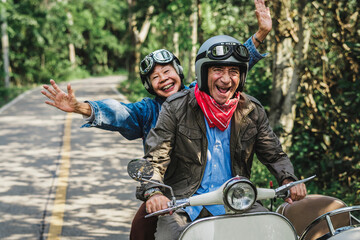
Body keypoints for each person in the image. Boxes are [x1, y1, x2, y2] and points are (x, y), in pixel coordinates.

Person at [41, 1, 272, 238]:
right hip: (166, 191)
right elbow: (118, 112)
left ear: (179, 72)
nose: (163, 78)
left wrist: (260, 34)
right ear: (149, 85)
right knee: (140, 231)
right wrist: (81, 106)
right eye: (155, 76)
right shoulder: (147, 110)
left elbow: (229, 68)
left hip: (217, 190)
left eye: (167, 71)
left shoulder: (200, 95)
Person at [141, 34, 307, 240]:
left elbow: (274, 155)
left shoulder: (251, 110)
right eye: (218, 70)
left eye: (233, 71)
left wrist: (289, 179)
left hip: (238, 200)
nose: (226, 79)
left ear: (241, 77)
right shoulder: (175, 107)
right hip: (185, 205)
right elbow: (156, 159)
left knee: (274, 233)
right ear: (203, 73)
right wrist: (154, 192)